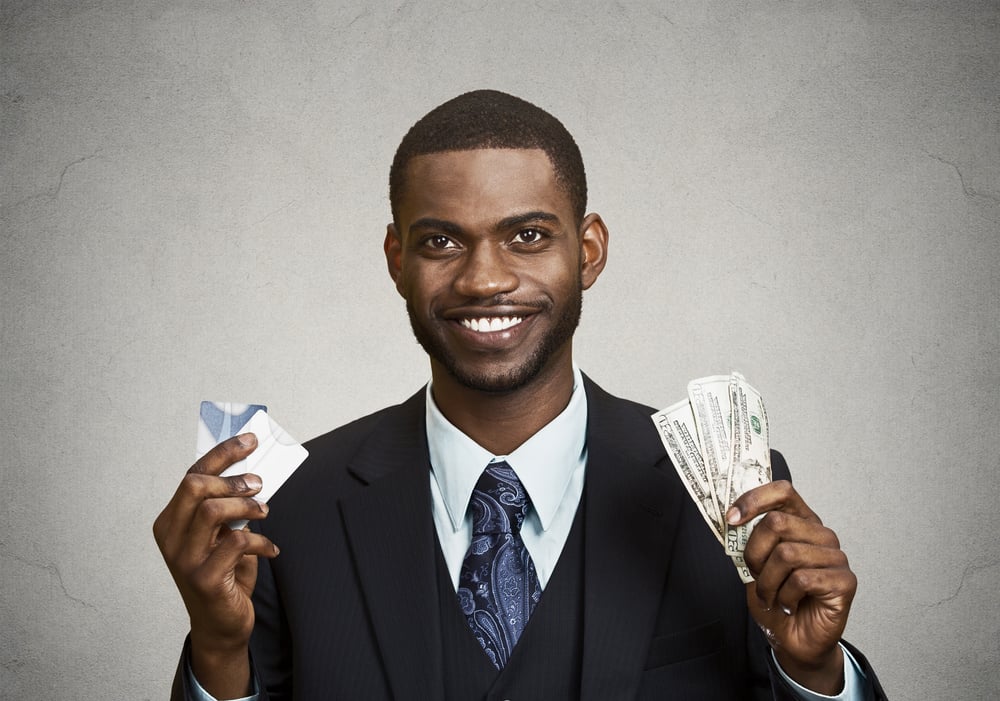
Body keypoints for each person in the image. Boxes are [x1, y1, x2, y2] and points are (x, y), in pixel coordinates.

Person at [153, 90, 886, 700]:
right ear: (396, 258)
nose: (485, 279)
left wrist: (813, 671)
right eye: (441, 242)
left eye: (528, 235)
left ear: (589, 250)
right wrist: (218, 655)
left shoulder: (731, 494)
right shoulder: (294, 506)